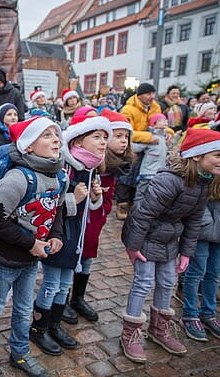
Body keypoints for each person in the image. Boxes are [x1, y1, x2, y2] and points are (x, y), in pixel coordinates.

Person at [120, 128, 220, 363]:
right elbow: (143, 214)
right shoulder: (169, 180)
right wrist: (133, 246)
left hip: (169, 239)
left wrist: (186, 253)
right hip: (147, 237)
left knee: (168, 282)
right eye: (218, 155)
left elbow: (194, 219)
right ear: (198, 156)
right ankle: (130, 334)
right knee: (143, 282)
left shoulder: (203, 182)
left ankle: (159, 330)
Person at [0, 116, 68, 377]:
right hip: (5, 257)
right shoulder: (18, 178)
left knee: (25, 308)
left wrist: (57, 235)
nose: (56, 140)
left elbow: (57, 208)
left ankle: (20, 352)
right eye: (47, 135)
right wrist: (30, 243)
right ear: (28, 145)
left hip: (32, 258)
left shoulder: (59, 175)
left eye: (56, 134)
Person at [32, 115, 110, 356]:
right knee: (52, 283)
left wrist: (94, 197)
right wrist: (73, 199)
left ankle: (54, 325)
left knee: (65, 283)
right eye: (96, 137)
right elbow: (46, 203)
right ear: (78, 141)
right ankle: (39, 327)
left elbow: (90, 209)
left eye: (105, 137)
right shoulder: (64, 166)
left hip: (76, 234)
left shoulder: (90, 167)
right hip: (59, 233)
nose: (103, 142)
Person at [64, 111, 133, 324]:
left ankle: (78, 297)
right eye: (118, 135)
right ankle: (63, 299)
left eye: (126, 137)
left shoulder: (113, 165)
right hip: (77, 217)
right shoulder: (83, 162)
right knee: (70, 257)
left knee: (88, 256)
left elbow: (108, 194)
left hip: (95, 216)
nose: (122, 141)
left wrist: (102, 207)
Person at [181, 162, 220, 342]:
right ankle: (190, 314)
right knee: (195, 273)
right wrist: (205, 223)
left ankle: (208, 313)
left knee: (214, 273)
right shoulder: (210, 171)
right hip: (203, 232)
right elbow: (197, 200)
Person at [117, 83, 163, 220]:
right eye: (148, 94)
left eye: (153, 93)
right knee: (127, 175)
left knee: (141, 177)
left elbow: (161, 122)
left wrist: (168, 133)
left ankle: (134, 204)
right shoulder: (128, 109)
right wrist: (148, 137)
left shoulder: (155, 107)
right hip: (133, 144)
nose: (151, 97)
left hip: (149, 147)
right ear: (140, 95)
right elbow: (127, 131)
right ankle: (122, 204)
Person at [132, 113, 172, 202]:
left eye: (165, 120)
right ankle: (137, 209)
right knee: (141, 193)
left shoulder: (164, 137)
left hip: (160, 172)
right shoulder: (150, 137)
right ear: (154, 124)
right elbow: (137, 147)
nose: (165, 122)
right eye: (161, 121)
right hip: (147, 171)